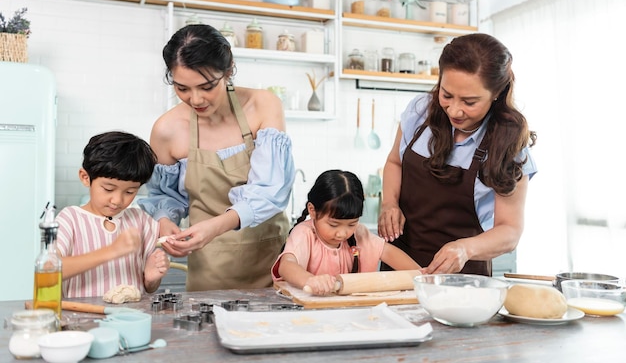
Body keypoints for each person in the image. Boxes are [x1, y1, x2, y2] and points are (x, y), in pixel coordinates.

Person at [138, 24, 294, 291]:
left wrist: (215, 226)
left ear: (228, 70)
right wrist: (165, 222)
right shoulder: (167, 130)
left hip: (276, 261)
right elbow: (163, 197)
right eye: (182, 88)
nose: (195, 99)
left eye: (207, 86)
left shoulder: (262, 105)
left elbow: (271, 190)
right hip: (211, 264)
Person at [378, 33, 537, 276]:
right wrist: (389, 203)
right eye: (446, 95)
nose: (454, 110)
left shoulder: (508, 142)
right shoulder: (420, 112)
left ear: (496, 93)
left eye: (469, 102)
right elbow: (394, 163)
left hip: (463, 279)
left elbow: (510, 231)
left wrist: (465, 249)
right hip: (399, 265)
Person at [56, 131, 169, 298]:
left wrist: (151, 279)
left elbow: (149, 287)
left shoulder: (141, 221)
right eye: (108, 189)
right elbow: (50, 271)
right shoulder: (70, 219)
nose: (117, 200)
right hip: (82, 319)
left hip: (132, 317)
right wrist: (112, 251)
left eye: (130, 191)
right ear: (86, 178)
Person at [272, 170, 422, 296]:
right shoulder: (305, 234)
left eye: (351, 224)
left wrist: (423, 275)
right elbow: (286, 266)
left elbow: (388, 252)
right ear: (312, 211)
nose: (342, 233)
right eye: (333, 224)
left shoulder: (359, 234)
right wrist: (309, 280)